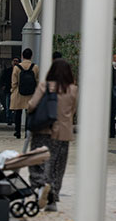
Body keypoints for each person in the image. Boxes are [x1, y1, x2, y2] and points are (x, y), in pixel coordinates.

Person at [24, 58, 77, 210]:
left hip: (43, 129)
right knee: (57, 165)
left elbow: (32, 105)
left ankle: (40, 186)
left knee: (38, 159)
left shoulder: (44, 86)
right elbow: (72, 110)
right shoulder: (72, 89)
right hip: (62, 132)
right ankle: (52, 195)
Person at [9, 48, 38, 140]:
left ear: (22, 56)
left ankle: (17, 131)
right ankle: (27, 132)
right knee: (29, 113)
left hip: (19, 93)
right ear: (31, 56)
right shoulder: (35, 67)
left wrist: (13, 90)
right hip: (31, 93)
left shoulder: (17, 67)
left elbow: (14, 82)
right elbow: (37, 80)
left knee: (18, 112)